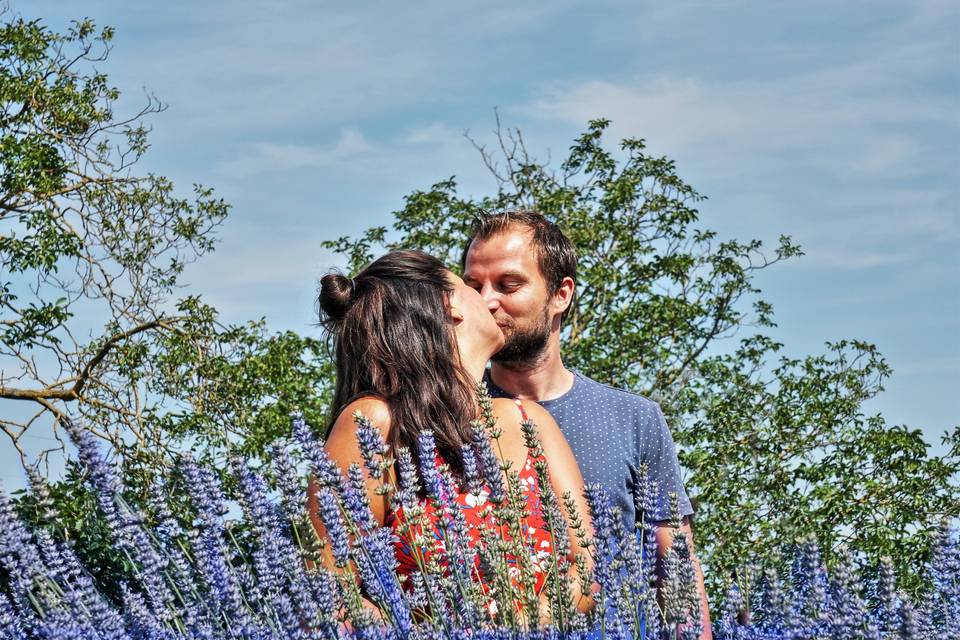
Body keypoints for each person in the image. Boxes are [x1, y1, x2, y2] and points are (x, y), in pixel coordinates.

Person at [461, 211, 713, 638]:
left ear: (561, 295)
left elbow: (677, 574)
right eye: (473, 286)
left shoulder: (633, 418)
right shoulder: (445, 419)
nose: (486, 301)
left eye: (509, 285)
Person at [307, 249, 594, 620]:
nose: (490, 301)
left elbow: (588, 563)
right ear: (450, 305)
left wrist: (525, 621)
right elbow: (327, 591)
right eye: (471, 286)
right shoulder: (375, 422)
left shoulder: (529, 420)